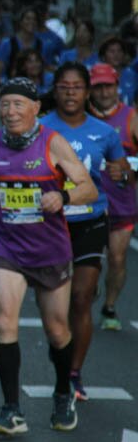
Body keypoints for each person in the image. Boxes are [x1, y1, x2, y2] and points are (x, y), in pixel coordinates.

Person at [0, 77, 96, 435]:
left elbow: (87, 186)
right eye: (5, 104)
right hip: (9, 246)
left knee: (57, 330)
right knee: (3, 322)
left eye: (18, 105)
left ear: (35, 109)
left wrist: (65, 197)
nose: (10, 112)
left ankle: (63, 391)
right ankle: (11, 410)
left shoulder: (52, 143)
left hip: (49, 248)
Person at [40, 63, 127, 402]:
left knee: (81, 298)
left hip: (90, 220)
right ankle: (61, 346)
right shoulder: (41, 128)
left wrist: (121, 174)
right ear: (56, 90)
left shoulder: (104, 132)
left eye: (77, 87)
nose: (71, 92)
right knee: (54, 307)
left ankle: (74, 372)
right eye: (64, 86)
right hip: (50, 224)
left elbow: (119, 169)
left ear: (87, 91)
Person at [87, 63, 138, 331]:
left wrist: (130, 168)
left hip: (122, 205)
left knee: (117, 259)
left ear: (117, 86)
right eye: (98, 86)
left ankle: (109, 306)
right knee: (87, 262)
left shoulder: (131, 118)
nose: (104, 92)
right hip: (86, 206)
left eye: (108, 85)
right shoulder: (80, 118)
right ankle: (87, 292)